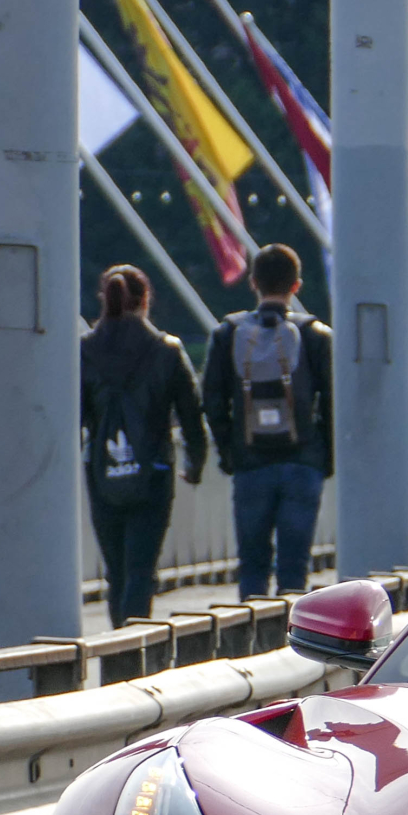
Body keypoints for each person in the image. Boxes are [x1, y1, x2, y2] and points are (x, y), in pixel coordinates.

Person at [202, 244, 336, 598]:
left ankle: (252, 644)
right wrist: (324, 457)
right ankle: (291, 645)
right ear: (297, 285)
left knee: (252, 565)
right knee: (295, 569)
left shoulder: (228, 334)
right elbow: (333, 402)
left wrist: (229, 452)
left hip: (250, 463)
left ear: (254, 282)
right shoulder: (314, 336)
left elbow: (212, 400)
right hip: (303, 462)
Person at [80, 265, 205, 627]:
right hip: (154, 470)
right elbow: (191, 416)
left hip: (101, 471)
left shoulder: (85, 350)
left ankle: (117, 641)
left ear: (104, 299)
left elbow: (74, 413)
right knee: (141, 568)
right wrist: (195, 465)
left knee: (115, 571)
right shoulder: (166, 351)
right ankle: (133, 654)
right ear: (146, 300)